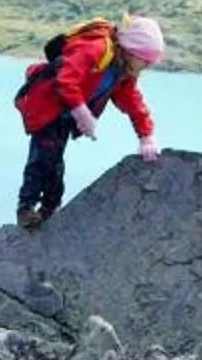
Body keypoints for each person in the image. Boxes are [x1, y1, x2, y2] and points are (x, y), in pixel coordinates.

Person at [14, 14, 165, 228]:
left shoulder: (122, 69)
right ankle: (26, 208)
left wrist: (146, 135)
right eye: (146, 60)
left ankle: (50, 208)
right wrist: (82, 112)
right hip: (46, 107)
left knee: (54, 160)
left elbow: (131, 100)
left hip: (66, 113)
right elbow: (66, 79)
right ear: (131, 50)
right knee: (42, 159)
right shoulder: (95, 49)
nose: (147, 65)